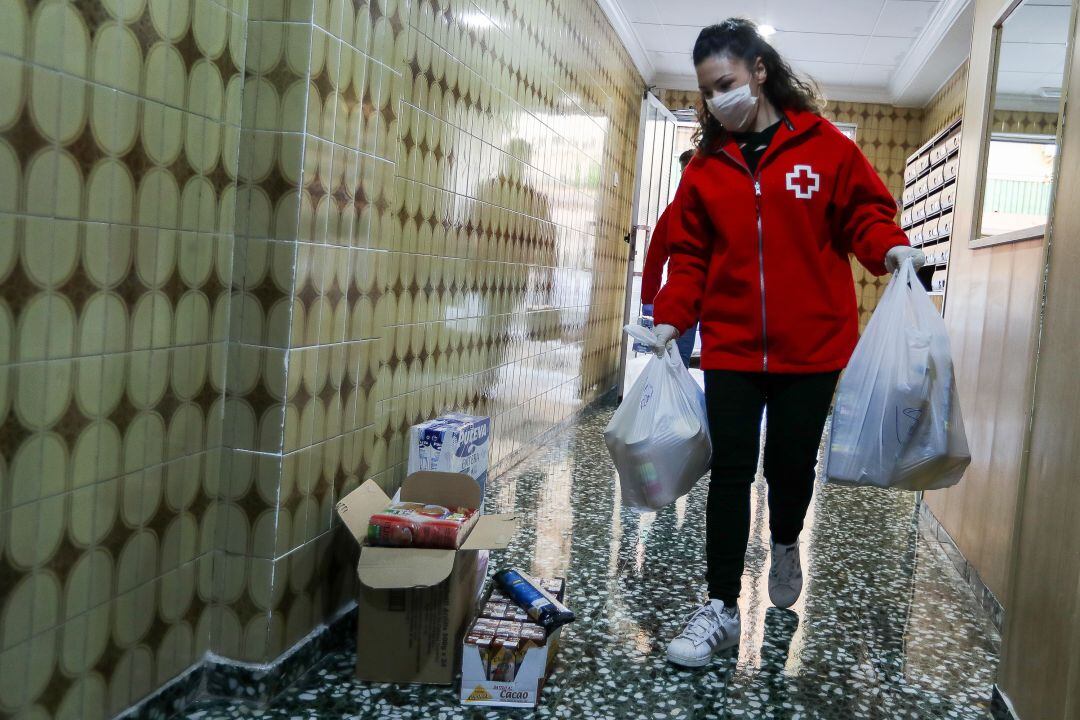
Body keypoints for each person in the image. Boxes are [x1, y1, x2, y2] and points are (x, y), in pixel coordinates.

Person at [651, 19, 925, 668]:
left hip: (814, 347)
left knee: (790, 467)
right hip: (732, 347)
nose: (717, 99)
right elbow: (689, 255)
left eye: (725, 84)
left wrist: (891, 251)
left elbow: (864, 213)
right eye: (707, 91)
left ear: (758, 71)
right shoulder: (707, 168)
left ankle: (783, 541)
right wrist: (670, 316)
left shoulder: (826, 147)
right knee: (730, 470)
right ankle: (719, 606)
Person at [641, 149, 698, 367]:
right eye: (684, 173)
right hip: (682, 298)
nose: (687, 178)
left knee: (717, 367)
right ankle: (676, 402)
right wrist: (649, 298)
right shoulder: (674, 212)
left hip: (716, 299)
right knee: (677, 362)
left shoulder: (720, 209)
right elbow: (655, 257)